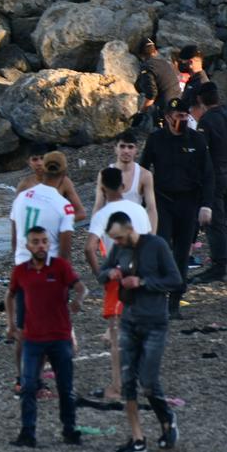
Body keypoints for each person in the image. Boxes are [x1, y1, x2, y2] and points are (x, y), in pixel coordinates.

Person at [98, 212, 181, 452]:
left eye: (121, 238)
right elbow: (102, 272)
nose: (118, 243)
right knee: (128, 382)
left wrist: (143, 282)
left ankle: (167, 419)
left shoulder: (156, 245)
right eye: (114, 239)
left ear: (130, 229)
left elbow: (175, 280)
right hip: (129, 321)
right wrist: (109, 274)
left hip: (155, 322)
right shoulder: (118, 248)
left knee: (148, 382)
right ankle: (137, 437)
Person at [5, 227, 85, 448]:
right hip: (32, 339)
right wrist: (11, 325)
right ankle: (27, 432)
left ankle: (69, 430)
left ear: (49, 245)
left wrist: (78, 299)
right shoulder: (20, 271)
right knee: (28, 386)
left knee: (65, 387)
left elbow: (81, 287)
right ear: (28, 246)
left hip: (60, 337)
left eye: (44, 241)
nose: (40, 245)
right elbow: (9, 295)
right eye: (35, 242)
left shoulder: (61, 267)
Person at [140, 97, 212, 316]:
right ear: (168, 118)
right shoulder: (156, 139)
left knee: (182, 252)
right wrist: (142, 199)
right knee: (162, 247)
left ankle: (176, 300)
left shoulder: (197, 141)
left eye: (183, 115)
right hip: (162, 201)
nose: (180, 120)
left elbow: (208, 175)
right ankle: (160, 296)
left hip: (188, 202)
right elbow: (143, 168)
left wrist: (206, 205)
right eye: (176, 116)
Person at [8, 151, 75, 386]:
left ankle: (21, 378)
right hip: (49, 272)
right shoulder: (64, 205)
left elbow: (15, 238)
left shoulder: (22, 197)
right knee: (49, 329)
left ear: (43, 170)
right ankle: (37, 377)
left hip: (23, 268)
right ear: (64, 174)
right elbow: (65, 251)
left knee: (24, 327)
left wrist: (18, 263)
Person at [87, 166, 152, 402]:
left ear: (102, 187)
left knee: (117, 337)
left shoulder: (102, 214)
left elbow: (89, 247)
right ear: (123, 187)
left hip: (118, 278)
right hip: (143, 275)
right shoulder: (139, 210)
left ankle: (117, 386)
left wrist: (100, 275)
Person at [189, 84, 227, 284]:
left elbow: (202, 151)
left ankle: (218, 267)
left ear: (201, 101)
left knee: (215, 224)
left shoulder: (206, 121)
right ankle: (221, 261)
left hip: (215, 176)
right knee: (223, 220)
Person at [93, 132, 158, 229]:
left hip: (136, 230)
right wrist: (95, 234)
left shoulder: (144, 175)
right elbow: (98, 206)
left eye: (130, 147)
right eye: (122, 146)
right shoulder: (104, 174)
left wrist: (152, 237)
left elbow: (151, 208)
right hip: (112, 231)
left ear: (136, 150)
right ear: (115, 148)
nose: (126, 151)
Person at [135, 38, 182, 128]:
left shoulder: (147, 67)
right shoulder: (164, 63)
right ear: (155, 51)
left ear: (141, 55)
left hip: (166, 108)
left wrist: (141, 113)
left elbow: (151, 94)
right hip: (178, 102)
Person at [177, 45, 210, 111]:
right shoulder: (193, 81)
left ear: (190, 62)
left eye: (182, 62)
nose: (180, 64)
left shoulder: (200, 84)